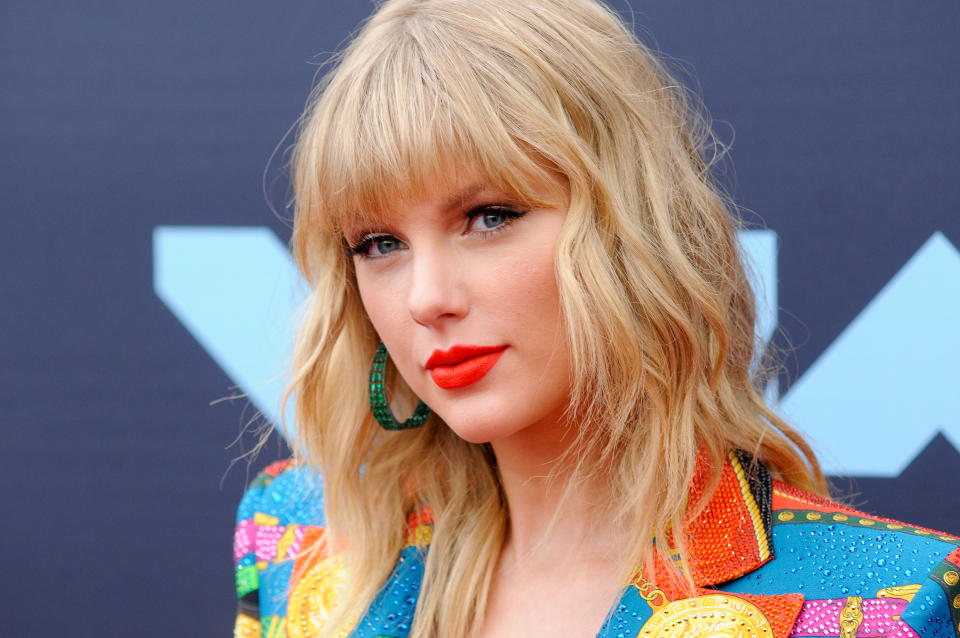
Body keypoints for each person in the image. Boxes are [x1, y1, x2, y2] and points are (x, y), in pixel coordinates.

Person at [232, 1, 960, 636]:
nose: (426, 297)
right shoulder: (297, 537)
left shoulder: (884, 601)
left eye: (489, 217)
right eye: (379, 244)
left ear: (630, 225)